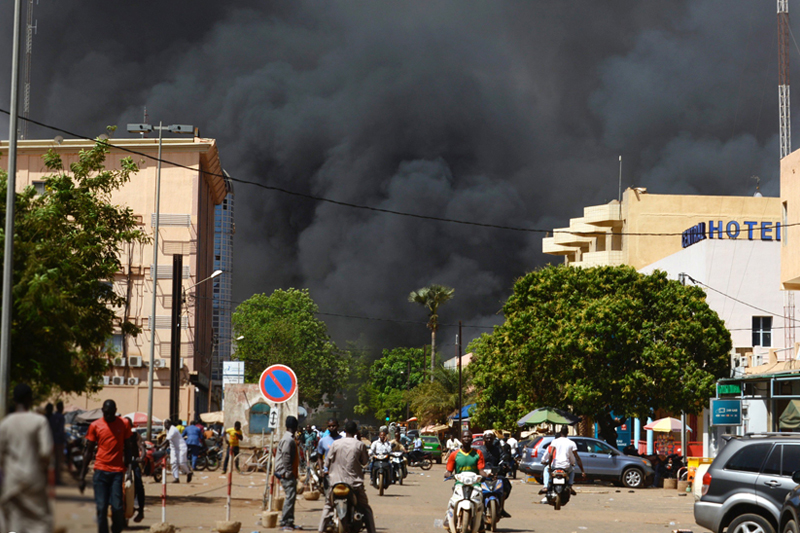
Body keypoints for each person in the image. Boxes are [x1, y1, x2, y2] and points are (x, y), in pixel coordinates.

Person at [0, 383, 53, 533]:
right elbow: (46, 451)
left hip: (12, 480)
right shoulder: (39, 421)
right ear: (29, 399)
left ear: (14, 399)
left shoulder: (5, 424)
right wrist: (43, 468)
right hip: (33, 479)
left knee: (14, 519)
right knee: (39, 521)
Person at [79, 399, 134, 533]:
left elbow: (128, 445)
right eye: (105, 413)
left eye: (110, 413)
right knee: (101, 507)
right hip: (100, 472)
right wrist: (82, 475)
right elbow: (88, 451)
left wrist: (129, 466)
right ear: (102, 411)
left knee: (117, 508)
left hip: (117, 472)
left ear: (115, 411)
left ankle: (116, 529)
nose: (107, 415)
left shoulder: (124, 423)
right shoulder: (95, 426)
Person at [318, 421, 376, 533]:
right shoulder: (359, 444)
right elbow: (365, 462)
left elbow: (326, 463)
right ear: (356, 431)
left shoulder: (336, 444)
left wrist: (327, 471)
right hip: (355, 484)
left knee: (327, 507)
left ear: (344, 430)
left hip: (336, 482)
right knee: (366, 508)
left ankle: (320, 530)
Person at [443, 431, 484, 530]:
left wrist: (486, 474)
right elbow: (449, 470)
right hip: (460, 483)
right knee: (452, 501)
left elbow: (481, 470)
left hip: (475, 484)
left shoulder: (478, 453)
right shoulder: (454, 454)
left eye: (469, 437)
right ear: (461, 439)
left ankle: (480, 520)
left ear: (472, 439)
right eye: (464, 437)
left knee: (480, 502)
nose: (467, 438)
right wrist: (448, 474)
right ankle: (448, 517)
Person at [540, 426, 585, 497]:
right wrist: (582, 471)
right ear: (568, 433)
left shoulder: (555, 441)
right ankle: (570, 486)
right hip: (566, 466)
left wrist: (549, 466)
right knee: (572, 470)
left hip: (555, 465)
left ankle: (545, 487)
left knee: (546, 469)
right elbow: (577, 457)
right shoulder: (571, 443)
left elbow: (551, 454)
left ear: (560, 432)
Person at [275, 415, 301, 531]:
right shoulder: (288, 440)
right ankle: (285, 521)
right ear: (295, 427)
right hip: (286, 473)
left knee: (291, 497)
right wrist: (289, 472)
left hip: (289, 472)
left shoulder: (289, 438)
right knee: (290, 498)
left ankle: (290, 521)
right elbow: (286, 457)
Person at [479, 430, 512, 518]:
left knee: (506, 485)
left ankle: (501, 507)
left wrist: (505, 465)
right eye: (487, 438)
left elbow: (503, 459)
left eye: (491, 438)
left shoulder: (498, 449)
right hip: (482, 474)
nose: (489, 440)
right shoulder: (479, 450)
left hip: (496, 474)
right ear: (484, 439)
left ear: (493, 439)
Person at [123, 417, 146, 523]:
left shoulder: (135, 436)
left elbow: (142, 447)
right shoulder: (119, 435)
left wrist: (141, 457)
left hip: (133, 463)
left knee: (138, 485)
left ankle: (140, 510)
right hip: (121, 464)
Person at [163, 419, 192, 483]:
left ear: (170, 424)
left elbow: (167, 439)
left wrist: (159, 445)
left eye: (166, 424)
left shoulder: (173, 429)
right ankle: (176, 478)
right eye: (165, 424)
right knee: (173, 463)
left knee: (181, 462)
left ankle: (188, 472)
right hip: (173, 448)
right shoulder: (168, 430)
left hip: (181, 447)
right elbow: (169, 441)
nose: (165, 425)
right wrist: (164, 448)